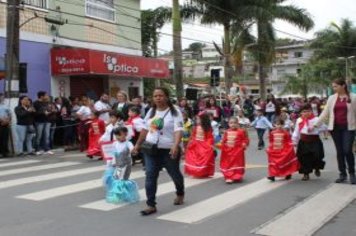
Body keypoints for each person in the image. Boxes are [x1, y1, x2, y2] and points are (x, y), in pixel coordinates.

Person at [132, 87, 184, 216]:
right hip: (151, 149)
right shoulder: (151, 111)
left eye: (161, 95)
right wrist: (137, 145)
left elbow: (178, 130)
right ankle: (151, 205)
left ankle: (180, 193)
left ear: (166, 97)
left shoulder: (175, 112)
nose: (158, 98)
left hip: (168, 149)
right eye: (155, 96)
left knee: (175, 174)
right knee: (150, 176)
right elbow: (145, 129)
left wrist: (175, 145)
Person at [315, 79, 356, 184]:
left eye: (336, 86)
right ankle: (342, 174)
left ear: (343, 86)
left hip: (349, 128)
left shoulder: (353, 97)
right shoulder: (332, 98)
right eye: (333, 87)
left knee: (347, 150)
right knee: (340, 152)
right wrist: (316, 124)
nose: (334, 88)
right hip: (335, 128)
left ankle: (352, 173)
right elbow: (325, 112)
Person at [103, 127, 140, 204]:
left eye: (119, 135)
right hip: (117, 165)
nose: (117, 137)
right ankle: (122, 194)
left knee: (122, 180)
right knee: (117, 179)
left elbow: (132, 150)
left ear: (125, 134)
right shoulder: (115, 143)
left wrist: (133, 151)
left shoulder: (128, 143)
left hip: (126, 165)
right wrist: (111, 162)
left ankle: (120, 195)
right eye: (116, 135)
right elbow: (113, 154)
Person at [293, 104, 326, 181]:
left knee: (317, 156)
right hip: (304, 141)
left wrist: (315, 127)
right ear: (301, 113)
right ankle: (306, 174)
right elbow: (296, 131)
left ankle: (317, 168)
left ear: (311, 111)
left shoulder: (316, 119)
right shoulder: (299, 120)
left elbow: (325, 127)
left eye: (308, 111)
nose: (306, 113)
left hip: (315, 141)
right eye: (304, 112)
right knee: (304, 158)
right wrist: (294, 141)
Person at [184, 113, 215, 178]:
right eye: (197, 119)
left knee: (203, 159)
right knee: (194, 158)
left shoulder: (207, 128)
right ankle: (196, 171)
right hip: (195, 144)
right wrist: (191, 142)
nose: (197, 120)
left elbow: (209, 137)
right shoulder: (196, 127)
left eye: (198, 119)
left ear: (203, 120)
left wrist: (209, 145)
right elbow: (193, 135)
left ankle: (203, 172)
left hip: (203, 145)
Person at [220, 117, 249, 183]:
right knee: (229, 164)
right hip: (228, 151)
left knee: (237, 163)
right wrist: (222, 145)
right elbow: (224, 141)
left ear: (237, 123)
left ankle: (237, 176)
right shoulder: (227, 132)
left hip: (238, 151)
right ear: (228, 124)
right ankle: (229, 176)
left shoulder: (241, 132)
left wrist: (244, 143)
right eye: (231, 123)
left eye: (235, 123)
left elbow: (245, 139)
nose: (233, 124)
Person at [33, 91, 53, 155]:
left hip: (47, 121)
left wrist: (50, 111)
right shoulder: (35, 103)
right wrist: (43, 113)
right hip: (39, 121)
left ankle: (46, 149)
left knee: (46, 135)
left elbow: (48, 110)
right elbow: (34, 113)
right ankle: (37, 149)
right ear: (41, 96)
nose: (47, 96)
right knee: (39, 136)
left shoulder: (46, 102)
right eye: (46, 95)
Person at [0, 93, 11, 158]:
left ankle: (5, 152)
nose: (2, 98)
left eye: (3, 97)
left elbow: (9, 114)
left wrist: (8, 120)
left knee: (5, 139)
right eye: (1, 97)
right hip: (0, 123)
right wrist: (1, 120)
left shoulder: (5, 105)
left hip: (5, 124)